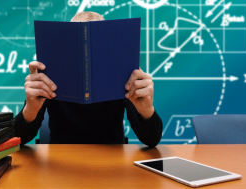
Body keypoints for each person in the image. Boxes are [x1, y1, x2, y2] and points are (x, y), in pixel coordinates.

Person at [14, 12, 163, 147]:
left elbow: (151, 140)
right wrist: (30, 109)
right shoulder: (49, 73)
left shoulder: (123, 73)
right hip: (60, 162)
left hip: (112, 162)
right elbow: (18, 138)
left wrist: (146, 110)